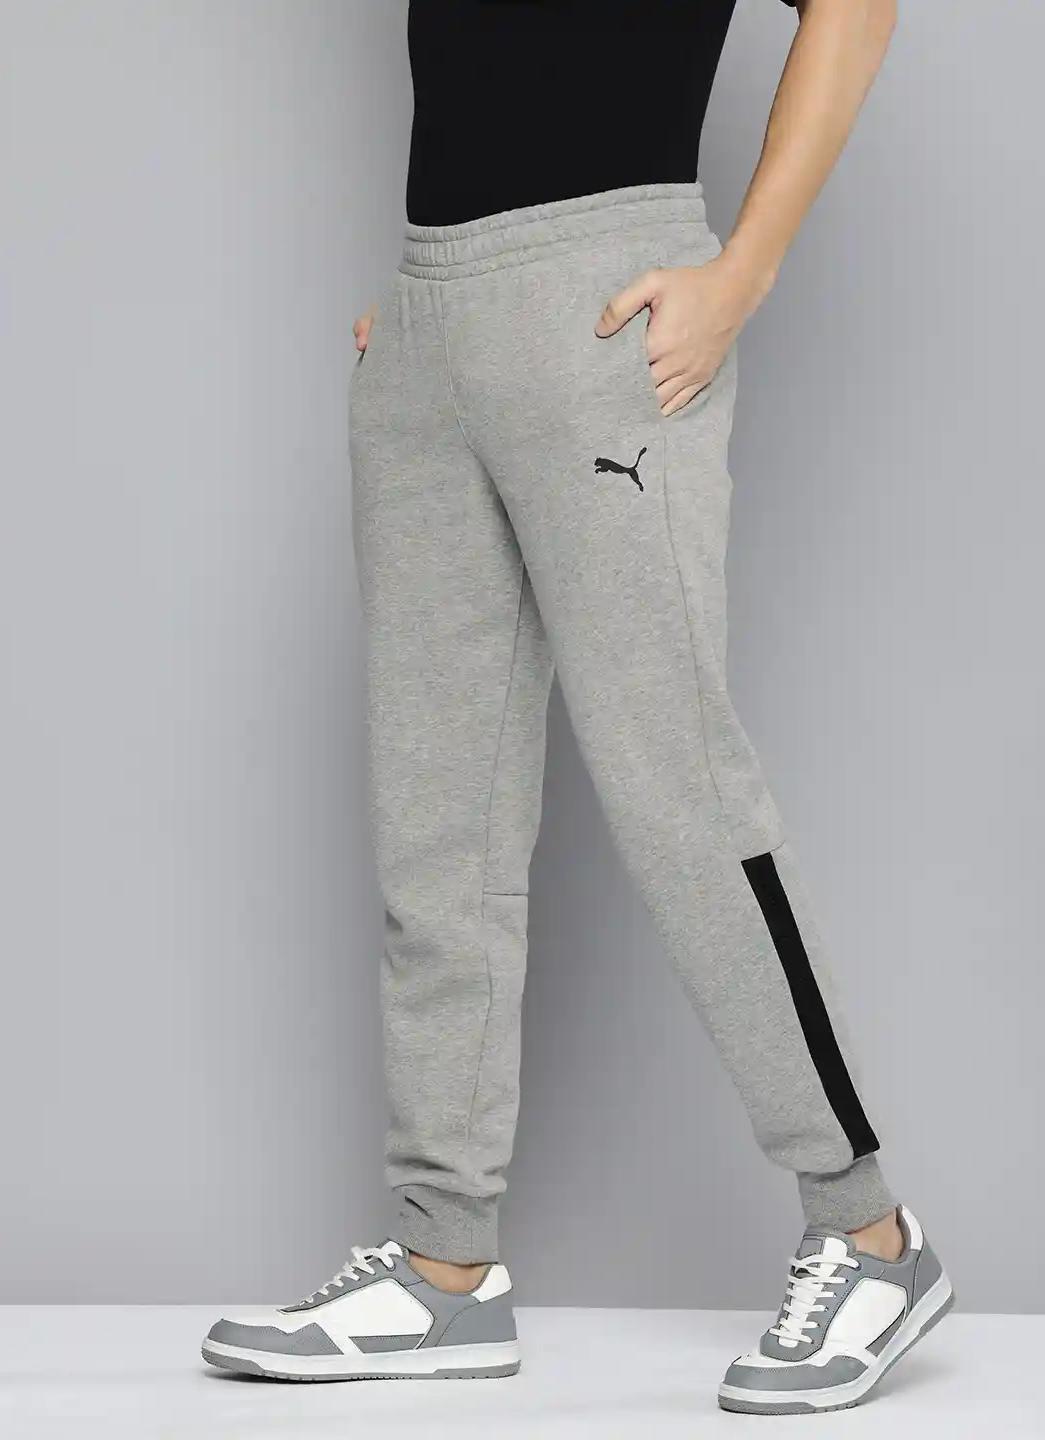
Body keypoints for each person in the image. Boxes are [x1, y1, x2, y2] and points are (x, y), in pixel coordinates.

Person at [203, 0, 951, 1413]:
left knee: (681, 794)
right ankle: (446, 1265)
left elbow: (857, 8)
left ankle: (870, 1236)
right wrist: (431, 320)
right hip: (428, 318)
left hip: (610, 303)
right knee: (439, 832)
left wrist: (740, 276)